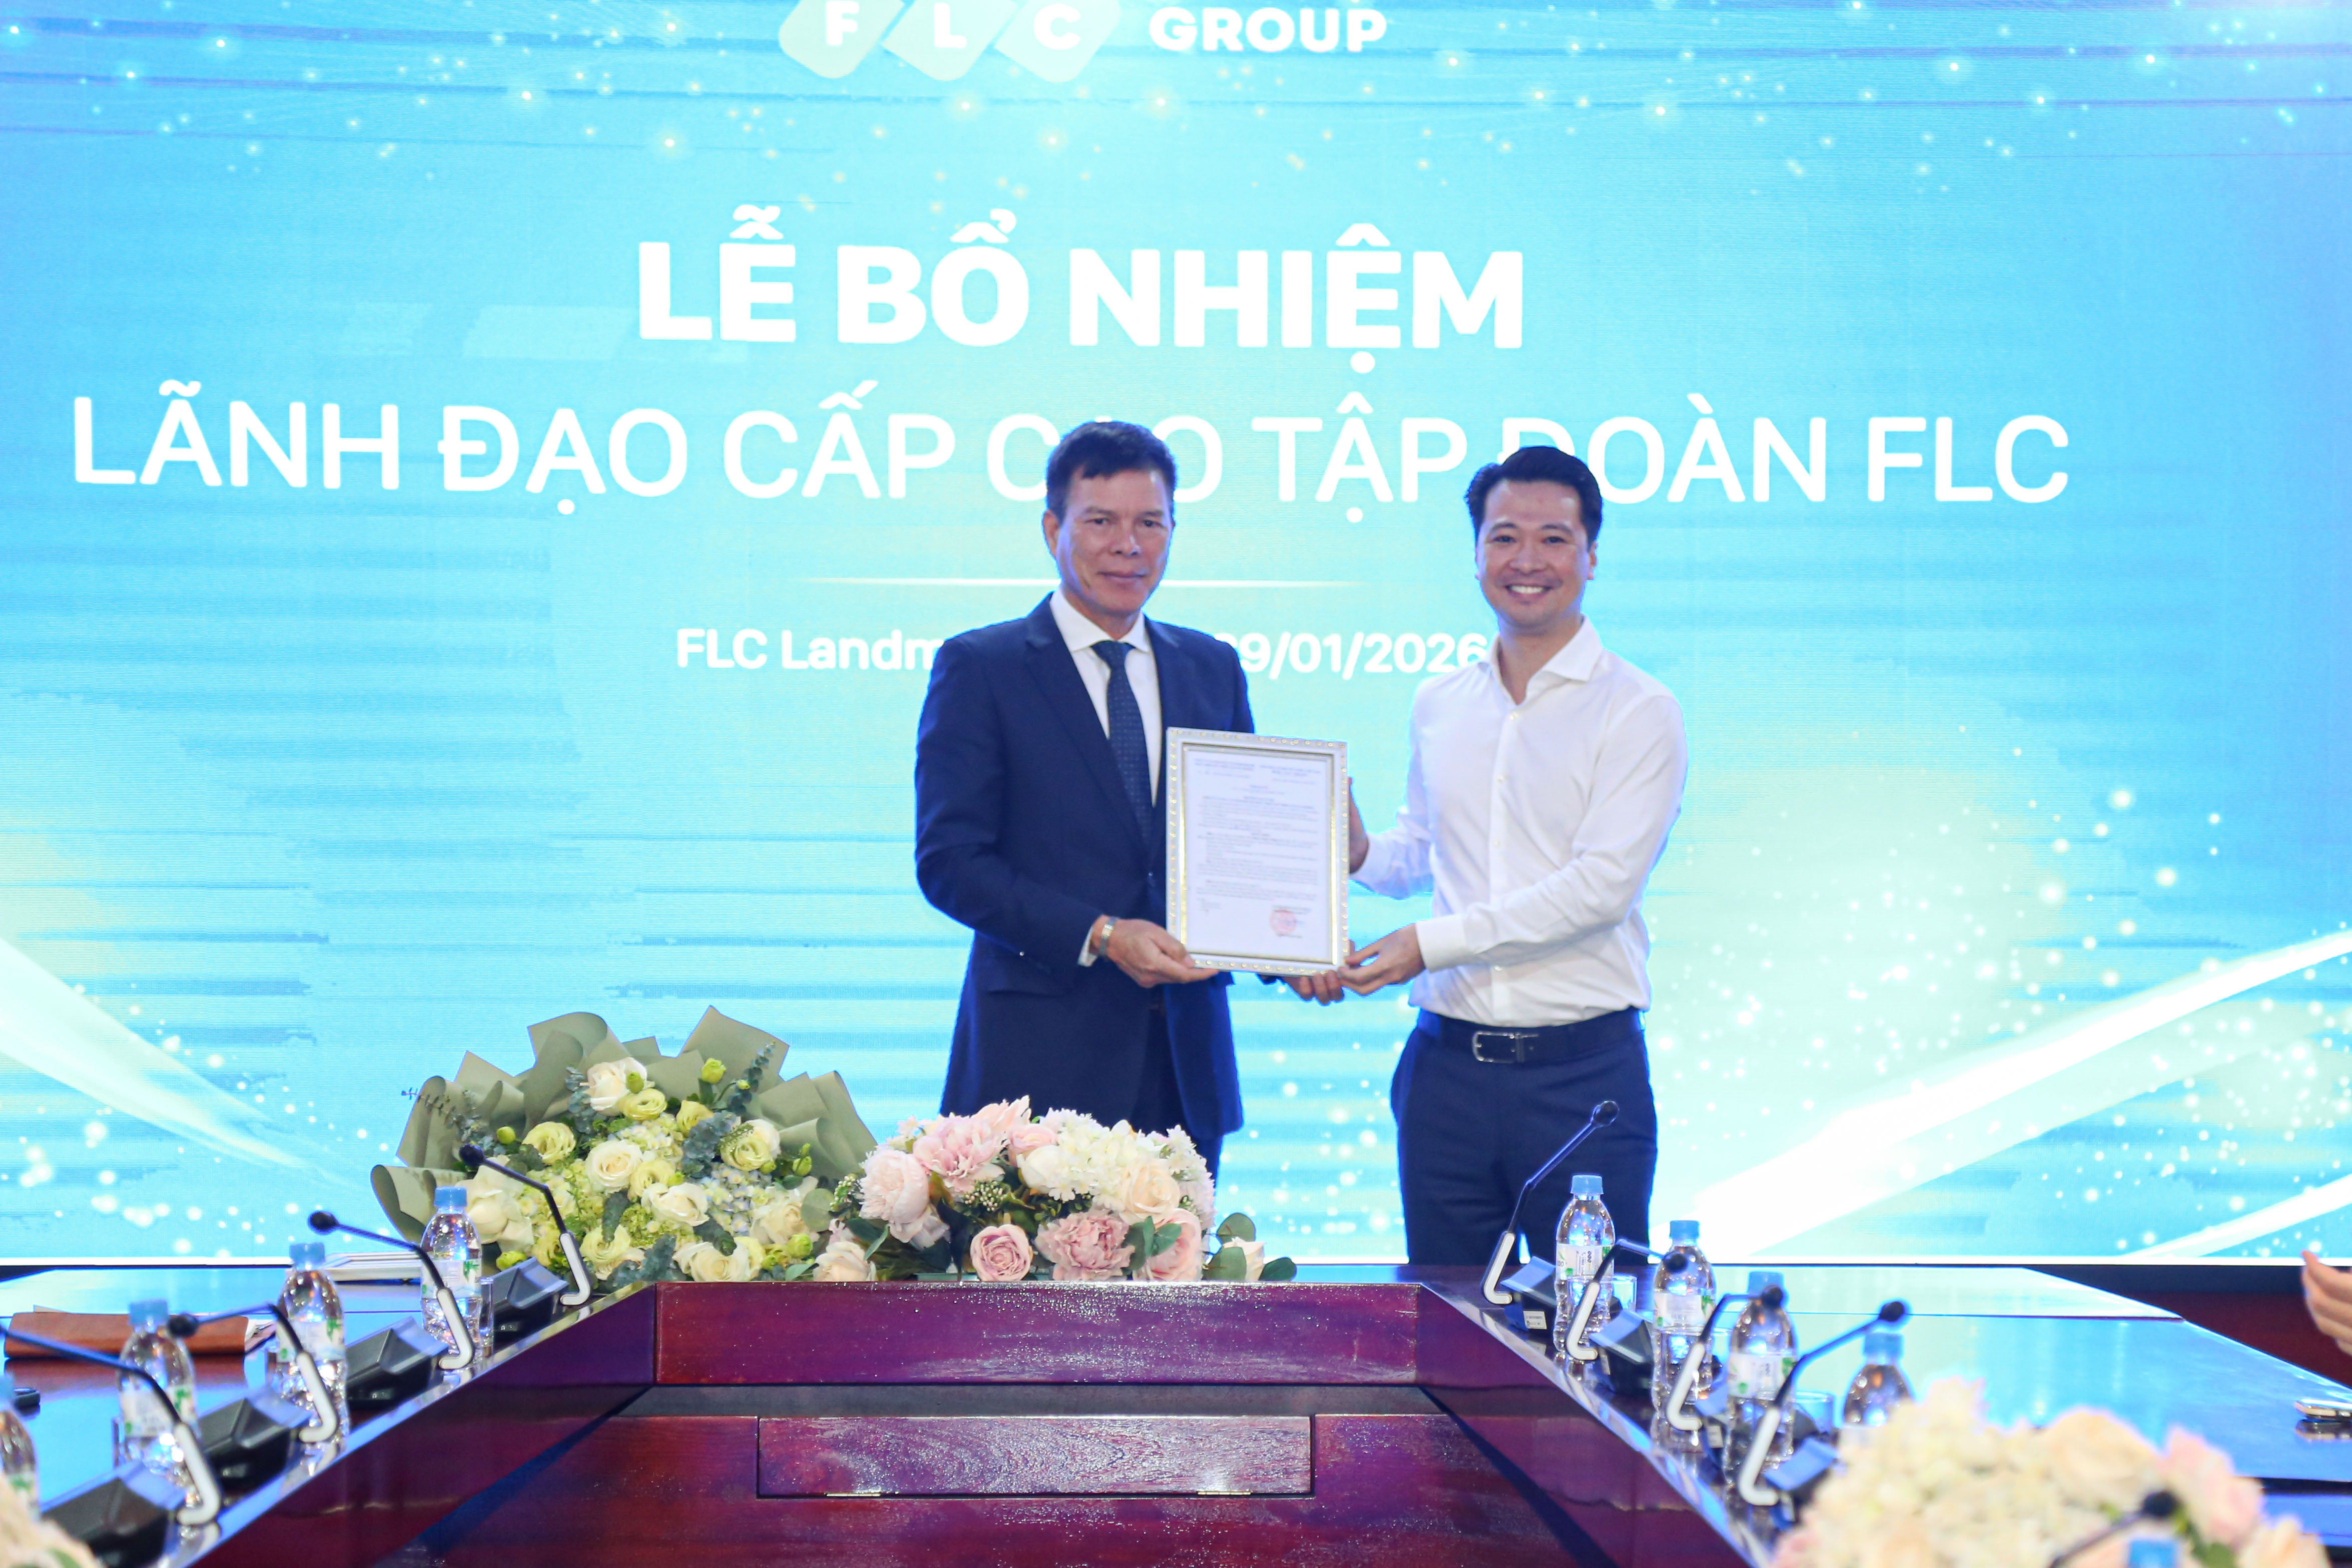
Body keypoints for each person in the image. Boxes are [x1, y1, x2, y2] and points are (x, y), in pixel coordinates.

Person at [1338, 443, 1688, 1263]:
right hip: (1444, 1077)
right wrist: (1353, 849)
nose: (1526, 561)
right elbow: (1417, 855)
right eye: (1503, 538)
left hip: (1580, 1082)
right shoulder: (1440, 701)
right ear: (1475, 554)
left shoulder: (1638, 709)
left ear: (1591, 556)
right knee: (1446, 1322)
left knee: (1587, 1326)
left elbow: (1598, 890)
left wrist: (1430, 944)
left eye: (1553, 539)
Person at [915, 421, 1277, 1174]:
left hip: (1184, 1068)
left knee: (1184, 1256)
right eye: (1101, 522)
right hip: (1036, 1071)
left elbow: (1238, 854)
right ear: (1054, 529)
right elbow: (950, 863)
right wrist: (1103, 934)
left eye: (1151, 523)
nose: (1129, 546)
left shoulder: (1211, 667)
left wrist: (1292, 945)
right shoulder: (982, 667)